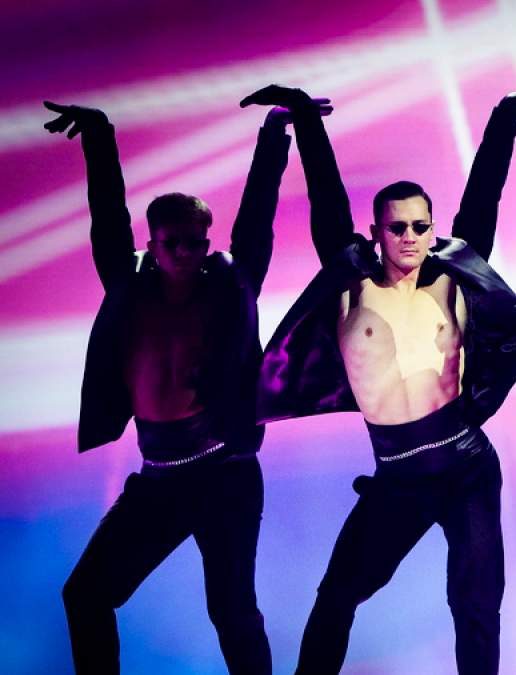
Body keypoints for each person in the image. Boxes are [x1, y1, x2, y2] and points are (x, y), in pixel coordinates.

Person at [241, 85, 516, 674]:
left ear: (433, 229)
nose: (410, 236)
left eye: (420, 225)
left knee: (475, 605)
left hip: (466, 467)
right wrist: (305, 117)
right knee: (337, 595)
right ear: (376, 232)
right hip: (397, 477)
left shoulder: (453, 279)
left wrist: (505, 115)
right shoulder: (351, 288)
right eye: (397, 227)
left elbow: (482, 198)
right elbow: (327, 201)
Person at [48, 94, 316, 674]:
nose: (186, 252)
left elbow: (257, 218)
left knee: (232, 611)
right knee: (86, 594)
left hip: (225, 474)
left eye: (197, 241)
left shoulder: (231, 286)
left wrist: (275, 135)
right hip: (160, 481)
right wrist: (98, 134)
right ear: (152, 244)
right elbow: (108, 217)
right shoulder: (129, 290)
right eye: (173, 242)